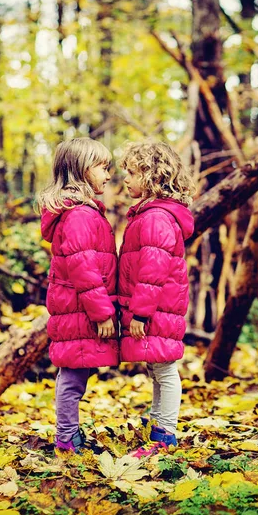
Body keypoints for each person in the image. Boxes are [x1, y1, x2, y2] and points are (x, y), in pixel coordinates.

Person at [38, 137, 119, 454]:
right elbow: (83, 266)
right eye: (103, 167)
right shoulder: (80, 215)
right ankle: (67, 438)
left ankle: (68, 434)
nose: (108, 175)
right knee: (72, 377)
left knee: (74, 375)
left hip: (76, 307)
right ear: (82, 170)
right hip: (80, 308)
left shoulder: (80, 212)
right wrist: (102, 312)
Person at [118, 141, 195, 457]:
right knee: (157, 366)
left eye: (132, 173)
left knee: (165, 369)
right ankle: (157, 424)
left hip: (157, 307)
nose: (126, 180)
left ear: (151, 177)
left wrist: (140, 313)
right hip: (160, 307)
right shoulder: (150, 214)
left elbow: (153, 269)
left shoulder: (156, 218)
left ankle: (166, 434)